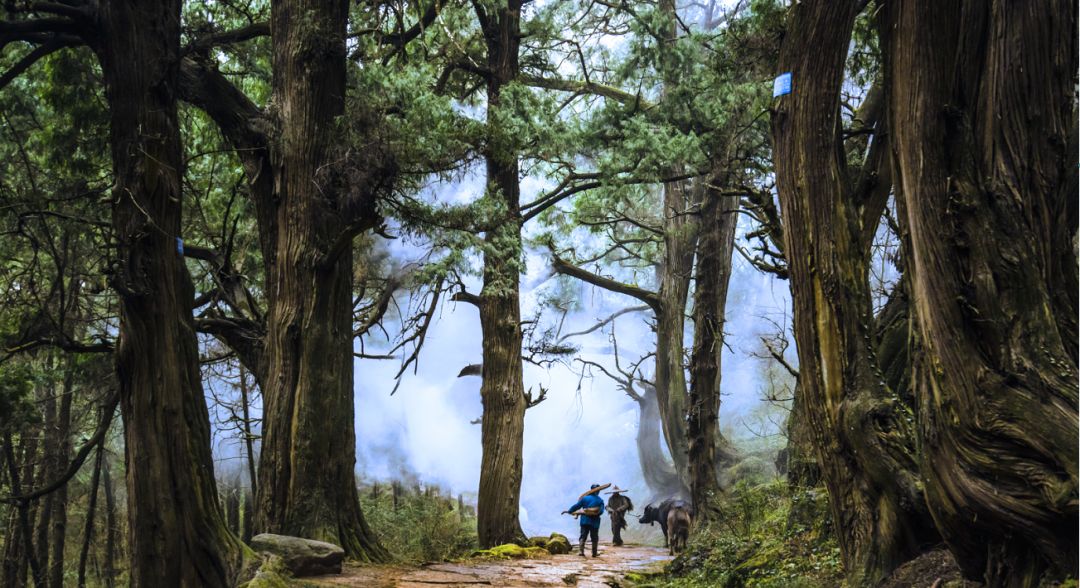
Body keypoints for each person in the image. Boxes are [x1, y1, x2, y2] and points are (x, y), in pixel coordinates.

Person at [563, 483, 608, 557]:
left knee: (583, 536)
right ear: (598, 491)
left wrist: (570, 511)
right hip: (594, 522)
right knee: (594, 537)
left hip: (585, 521)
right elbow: (601, 511)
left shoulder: (584, 498)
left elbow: (576, 506)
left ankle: (581, 552)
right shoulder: (600, 500)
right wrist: (594, 513)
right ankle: (594, 553)